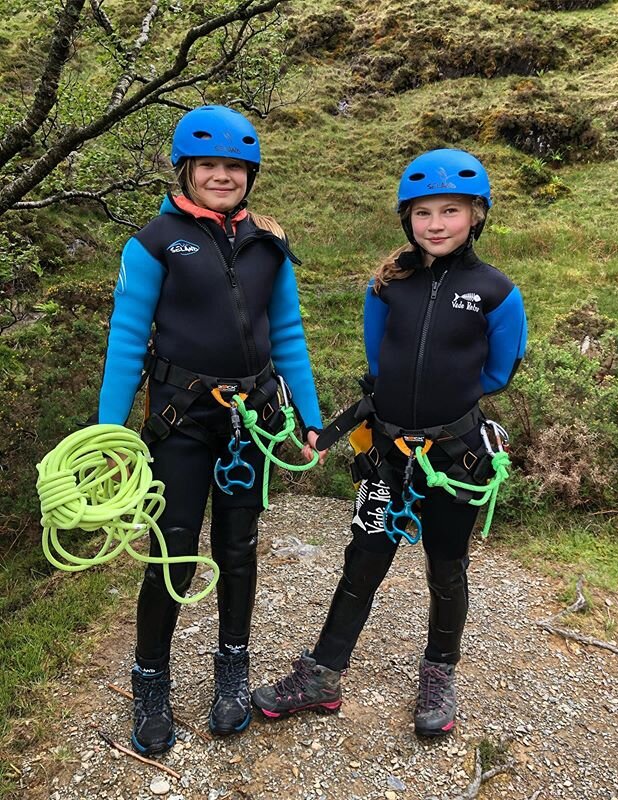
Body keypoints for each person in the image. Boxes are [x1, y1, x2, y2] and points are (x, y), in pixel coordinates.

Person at [252, 148, 527, 737]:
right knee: (364, 559)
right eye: (423, 212)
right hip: (386, 454)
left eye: (451, 210)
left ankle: (440, 674)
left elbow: (499, 372)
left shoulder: (496, 291)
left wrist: (440, 411)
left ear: (476, 215)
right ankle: (323, 673)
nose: (436, 224)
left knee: (446, 568)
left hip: (457, 457)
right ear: (407, 218)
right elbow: (380, 361)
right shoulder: (388, 284)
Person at [96, 105, 323, 753]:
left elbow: (288, 336)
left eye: (233, 167)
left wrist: (308, 416)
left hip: (249, 422)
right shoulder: (154, 243)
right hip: (181, 421)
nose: (222, 176)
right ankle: (150, 681)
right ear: (186, 170)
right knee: (169, 553)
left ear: (249, 173)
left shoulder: (268, 246)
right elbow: (126, 342)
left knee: (238, 549)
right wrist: (107, 433)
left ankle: (231, 670)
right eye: (209, 166)